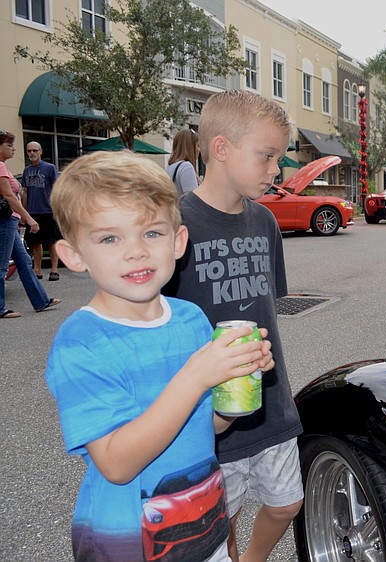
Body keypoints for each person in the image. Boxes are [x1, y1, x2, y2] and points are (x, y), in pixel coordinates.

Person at [45, 150, 275, 561]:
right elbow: (116, 463)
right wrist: (195, 377)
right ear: (74, 255)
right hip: (128, 542)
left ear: (178, 241)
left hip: (205, 528)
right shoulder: (80, 342)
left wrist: (235, 384)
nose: (135, 251)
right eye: (109, 238)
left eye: (151, 233)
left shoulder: (190, 319)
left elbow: (210, 428)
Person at [163, 90, 303, 562]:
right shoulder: (175, 225)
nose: (275, 170)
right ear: (220, 148)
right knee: (223, 515)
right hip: (208, 408)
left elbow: (266, 304)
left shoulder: (264, 221)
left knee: (288, 502)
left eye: (279, 158)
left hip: (270, 395)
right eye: (266, 156)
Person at [0, 130, 60, 319]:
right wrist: (29, 216)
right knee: (2, 265)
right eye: (9, 145)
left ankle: (40, 300)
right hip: (5, 220)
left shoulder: (4, 166)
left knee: (25, 262)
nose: (13, 149)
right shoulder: (1, 167)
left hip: (12, 220)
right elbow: (9, 195)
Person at [21, 141, 61, 281]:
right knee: (35, 242)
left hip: (48, 211)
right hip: (33, 213)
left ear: (41, 152)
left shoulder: (49, 168)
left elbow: (56, 189)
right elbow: (25, 192)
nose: (32, 153)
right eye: (29, 151)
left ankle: (54, 270)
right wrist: (24, 212)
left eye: (35, 150)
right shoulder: (26, 170)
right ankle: (37, 270)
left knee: (51, 241)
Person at [165, 128, 201, 195]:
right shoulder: (186, 167)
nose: (199, 150)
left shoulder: (169, 167)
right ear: (190, 147)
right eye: (197, 145)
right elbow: (193, 199)